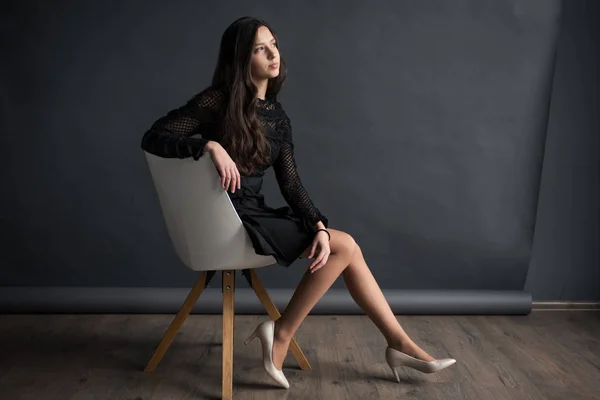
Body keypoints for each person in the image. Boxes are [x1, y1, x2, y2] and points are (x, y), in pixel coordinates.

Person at [141, 16, 456, 389]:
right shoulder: (217, 101)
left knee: (338, 244)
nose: (273, 54)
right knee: (347, 246)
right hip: (225, 222)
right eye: (261, 48)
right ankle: (294, 335)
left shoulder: (277, 116)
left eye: (274, 44)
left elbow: (290, 184)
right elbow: (154, 136)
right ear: (242, 58)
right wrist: (208, 145)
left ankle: (385, 342)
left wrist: (318, 224)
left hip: (251, 216)